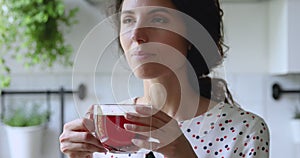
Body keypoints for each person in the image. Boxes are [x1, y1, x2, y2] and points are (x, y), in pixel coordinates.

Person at [59, 0, 270, 158]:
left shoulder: (244, 131)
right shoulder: (109, 128)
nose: (137, 34)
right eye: (129, 20)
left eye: (158, 19)